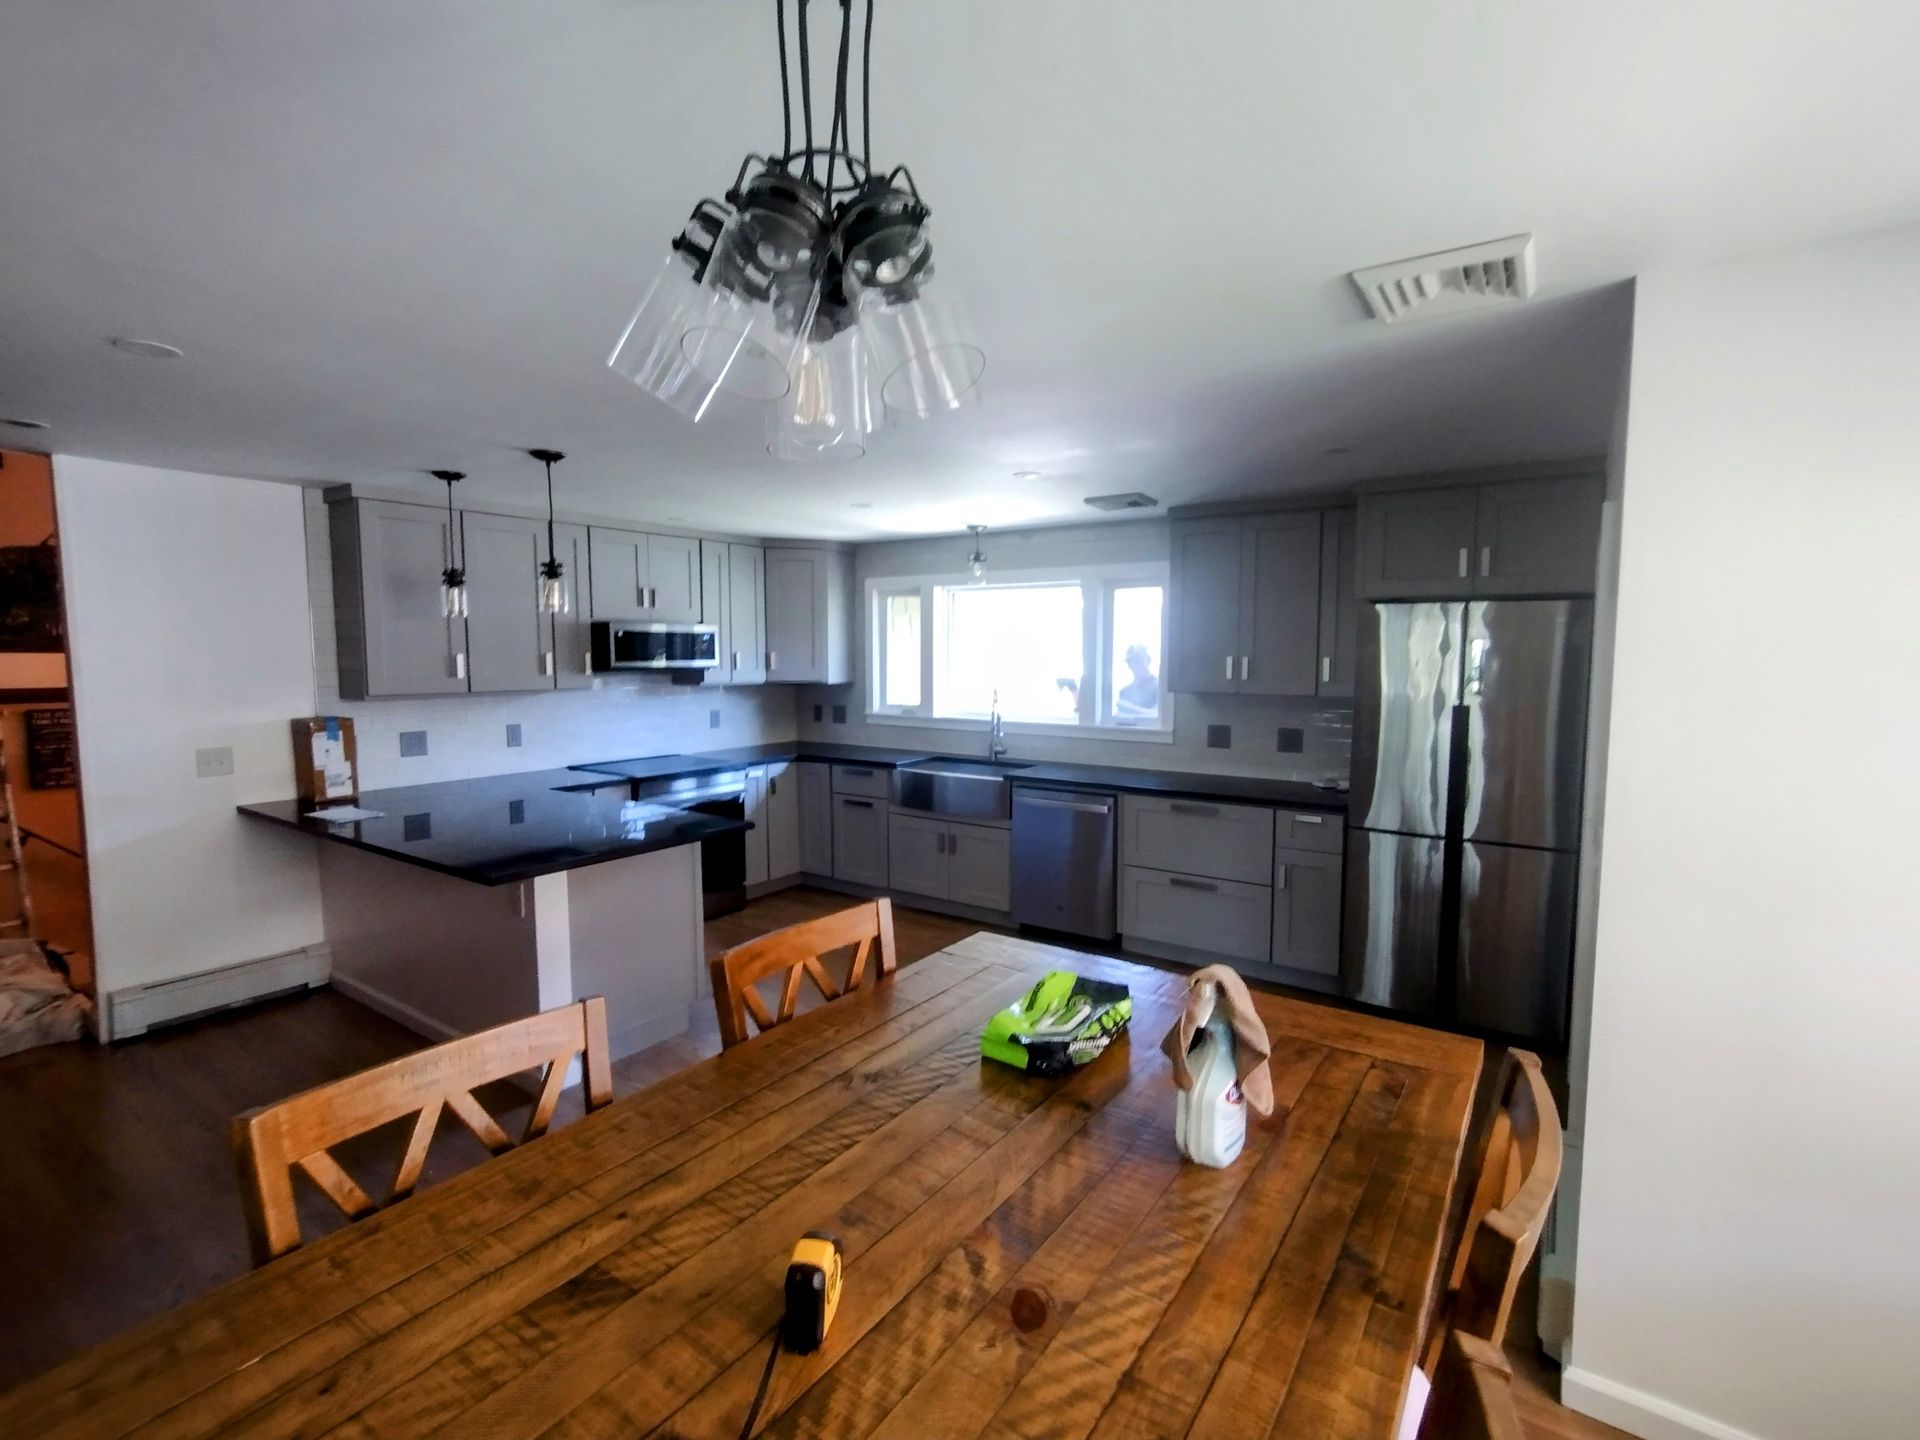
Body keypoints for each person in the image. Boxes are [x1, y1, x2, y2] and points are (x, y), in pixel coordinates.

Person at [1116, 644, 1159, 717]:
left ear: (1148, 660)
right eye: (1132, 661)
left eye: (1139, 660)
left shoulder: (1160, 687)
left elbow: (1160, 716)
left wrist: (1129, 708)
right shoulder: (1124, 691)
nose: (1137, 664)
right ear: (1128, 665)